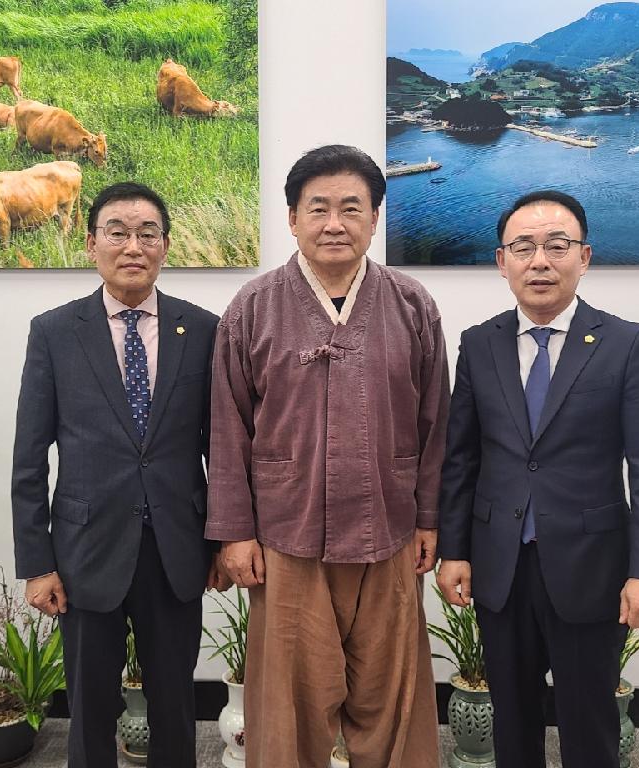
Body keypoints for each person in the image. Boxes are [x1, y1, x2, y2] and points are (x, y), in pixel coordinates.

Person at [207, 144, 448, 768]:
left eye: (351, 208)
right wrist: (235, 534)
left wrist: (429, 519)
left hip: (390, 530)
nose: (334, 223)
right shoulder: (251, 308)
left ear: (374, 219)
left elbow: (435, 422)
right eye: (318, 208)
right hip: (286, 536)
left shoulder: (412, 303)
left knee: (391, 699)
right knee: (289, 705)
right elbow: (227, 430)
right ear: (293, 219)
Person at [437, 190, 639, 768]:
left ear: (585, 256)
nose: (539, 261)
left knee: (587, 720)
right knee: (512, 721)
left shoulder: (626, 343)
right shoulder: (479, 343)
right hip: (500, 565)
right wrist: (455, 551)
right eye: (523, 247)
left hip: (591, 567)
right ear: (502, 261)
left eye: (556, 245)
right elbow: (461, 457)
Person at [11, 181, 228, 768]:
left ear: (164, 246)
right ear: (91, 244)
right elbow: (29, 457)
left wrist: (225, 540)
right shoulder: (54, 332)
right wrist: (37, 564)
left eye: (147, 233)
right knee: (88, 708)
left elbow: (222, 448)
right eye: (118, 232)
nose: (133, 246)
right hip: (84, 551)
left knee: (175, 706)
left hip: (177, 549)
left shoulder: (204, 329)